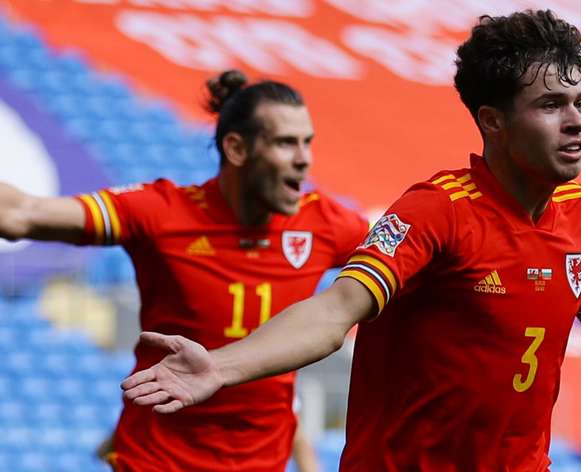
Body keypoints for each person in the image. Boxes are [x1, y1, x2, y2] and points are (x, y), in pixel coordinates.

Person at [120, 11, 581, 472]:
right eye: (550, 105)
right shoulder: (436, 210)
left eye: (580, 102)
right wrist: (223, 366)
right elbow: (336, 310)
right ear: (492, 121)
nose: (576, 121)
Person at [0, 70, 369, 470]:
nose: (304, 159)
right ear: (236, 148)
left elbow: (405, 265)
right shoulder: (162, 212)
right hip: (156, 460)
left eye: (306, 142)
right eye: (285, 143)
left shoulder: (327, 224)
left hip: (261, 464)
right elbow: (22, 214)